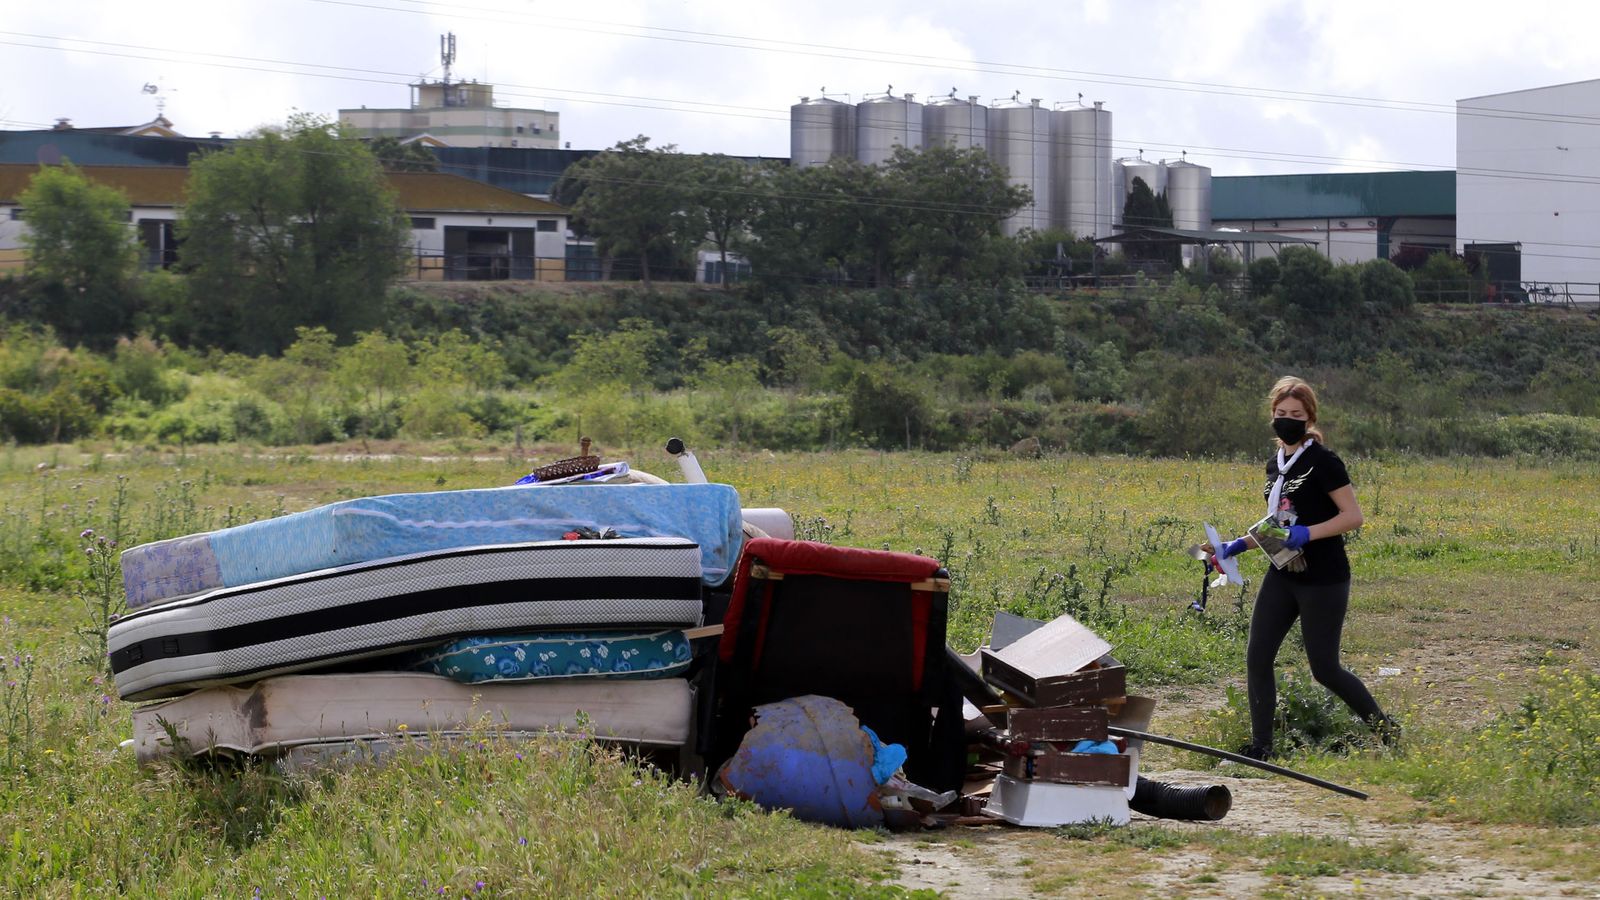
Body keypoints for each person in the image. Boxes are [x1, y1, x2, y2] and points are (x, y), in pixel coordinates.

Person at [1206, 376, 1398, 760]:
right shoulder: (1275, 464)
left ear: (1309, 417)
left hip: (1323, 578)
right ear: (1272, 416)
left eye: (1296, 414)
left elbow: (1353, 517)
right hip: (1284, 573)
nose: (1288, 419)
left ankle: (1385, 730)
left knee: (1324, 669)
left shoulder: (1323, 462)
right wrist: (1236, 547)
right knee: (1257, 656)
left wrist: (1310, 533)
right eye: (1281, 413)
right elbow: (1278, 524)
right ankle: (1261, 747)